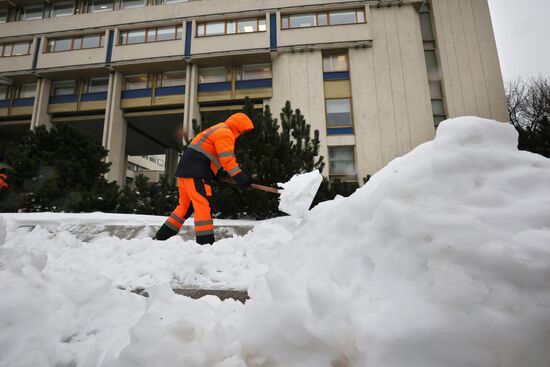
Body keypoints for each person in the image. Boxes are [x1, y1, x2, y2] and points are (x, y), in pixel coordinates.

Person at [154, 112, 254, 244]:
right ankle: (205, 243)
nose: (242, 135)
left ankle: (161, 238)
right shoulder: (226, 133)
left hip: (187, 171)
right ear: (239, 128)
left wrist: (215, 174)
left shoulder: (218, 129)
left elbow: (208, 153)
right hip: (196, 173)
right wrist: (240, 177)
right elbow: (227, 159)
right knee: (203, 206)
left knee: (184, 207)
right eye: (243, 131)